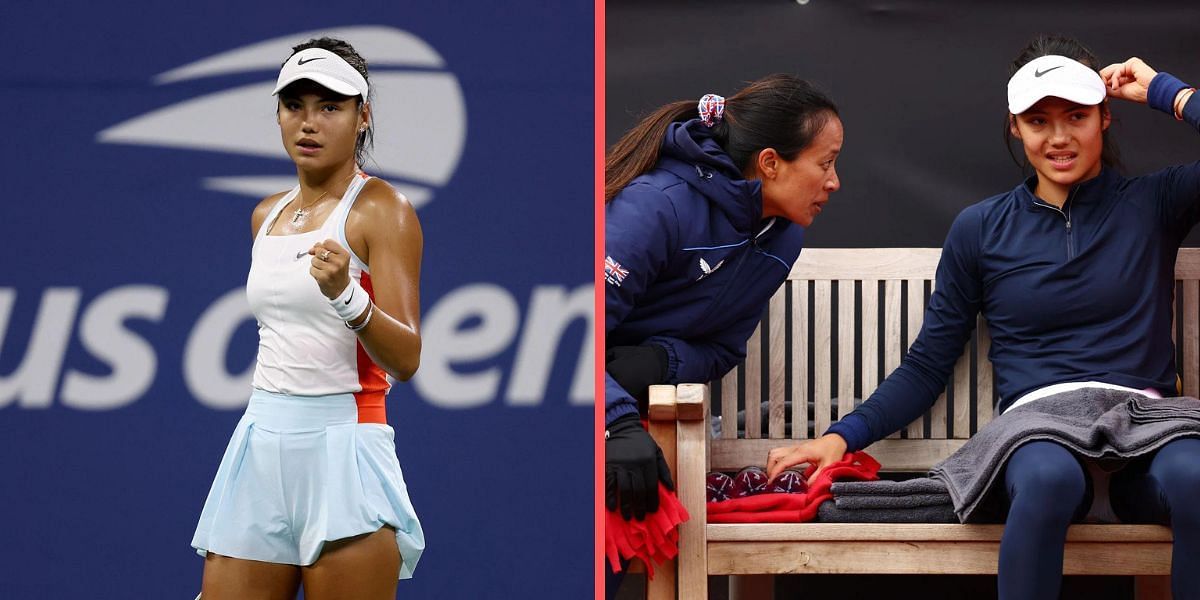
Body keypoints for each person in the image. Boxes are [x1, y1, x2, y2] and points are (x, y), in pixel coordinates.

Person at [765, 35, 1200, 600]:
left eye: (1076, 115)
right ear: (1015, 128)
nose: (1060, 136)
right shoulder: (981, 228)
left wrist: (1167, 91)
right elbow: (928, 364)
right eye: (1039, 120)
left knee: (1196, 478)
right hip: (1039, 433)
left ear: (1105, 117)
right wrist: (840, 437)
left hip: (1146, 427)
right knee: (1046, 480)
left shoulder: (1154, 202)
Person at [190, 37, 425, 600]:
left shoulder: (382, 210)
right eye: (295, 106)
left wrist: (350, 297)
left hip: (345, 451)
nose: (309, 123)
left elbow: (407, 358)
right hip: (259, 447)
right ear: (277, 114)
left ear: (362, 116)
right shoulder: (265, 215)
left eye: (330, 106)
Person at [604, 74, 843, 596]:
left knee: (638, 498)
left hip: (651, 410)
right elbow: (568, 338)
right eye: (824, 163)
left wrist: (661, 364)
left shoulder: (785, 238)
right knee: (614, 502)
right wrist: (616, 426)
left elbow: (721, 350)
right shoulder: (656, 206)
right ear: (771, 162)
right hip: (585, 406)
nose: (834, 181)